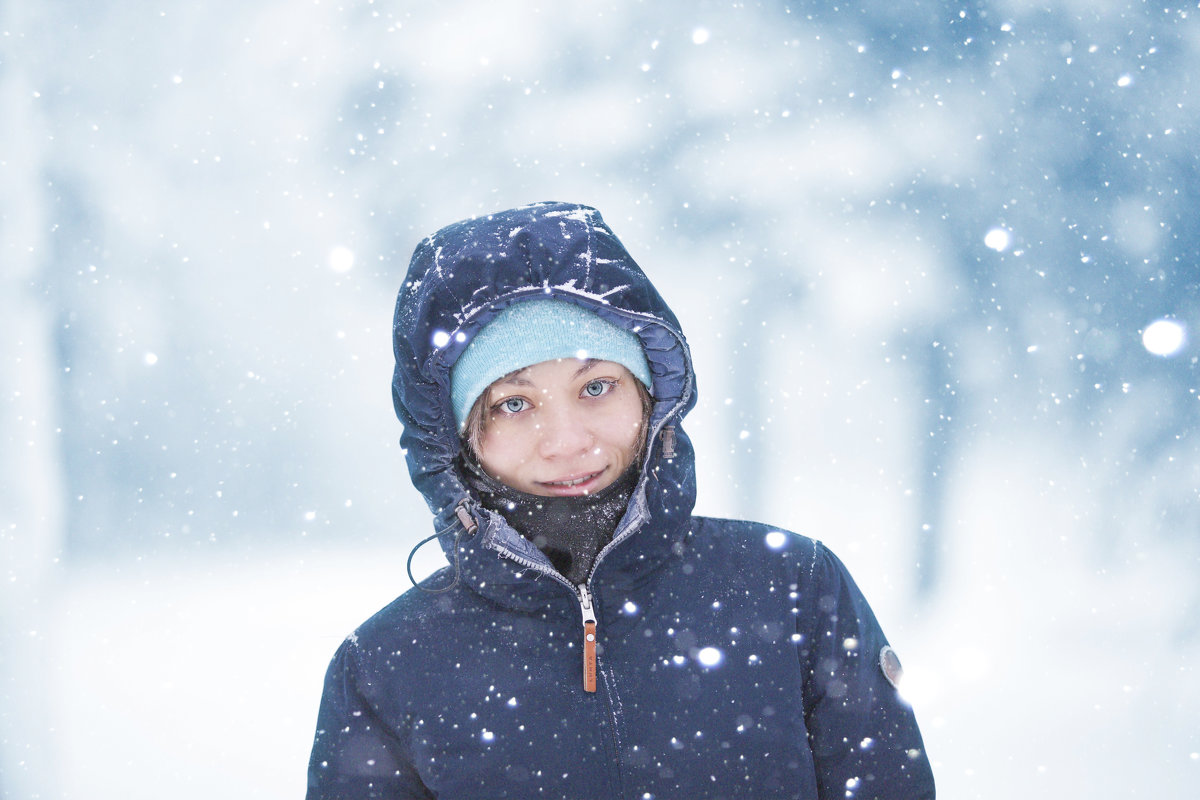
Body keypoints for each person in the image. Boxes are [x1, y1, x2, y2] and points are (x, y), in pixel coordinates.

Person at [306, 201, 936, 799]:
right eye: (514, 404)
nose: (567, 441)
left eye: (597, 386)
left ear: (649, 396)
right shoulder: (387, 667)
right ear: (457, 436)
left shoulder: (791, 586)